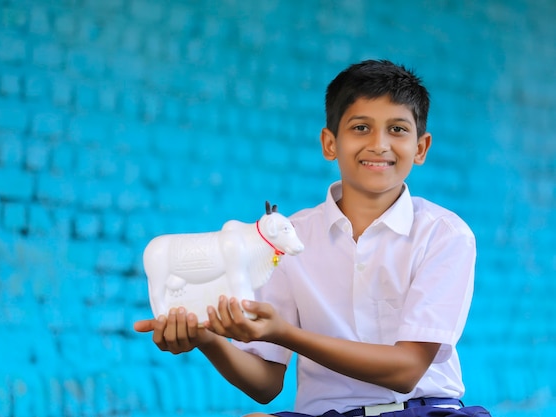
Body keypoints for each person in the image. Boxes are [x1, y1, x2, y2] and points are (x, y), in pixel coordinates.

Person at [134, 59, 491, 417]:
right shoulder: (290, 240)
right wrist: (207, 340)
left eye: (397, 129)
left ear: (421, 147)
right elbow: (265, 384)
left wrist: (283, 333)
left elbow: (406, 370)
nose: (380, 144)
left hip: (424, 411)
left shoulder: (444, 234)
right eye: (361, 127)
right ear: (330, 143)